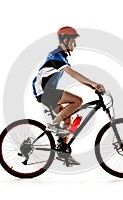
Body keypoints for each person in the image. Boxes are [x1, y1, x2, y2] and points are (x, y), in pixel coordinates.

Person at [32, 26, 105, 165]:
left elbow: (77, 78)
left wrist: (93, 87)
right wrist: (94, 83)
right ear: (65, 39)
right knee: (77, 101)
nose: (75, 45)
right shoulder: (55, 56)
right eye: (73, 41)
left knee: (67, 120)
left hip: (48, 92)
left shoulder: (62, 57)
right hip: (43, 91)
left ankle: (63, 152)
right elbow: (74, 75)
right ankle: (53, 125)